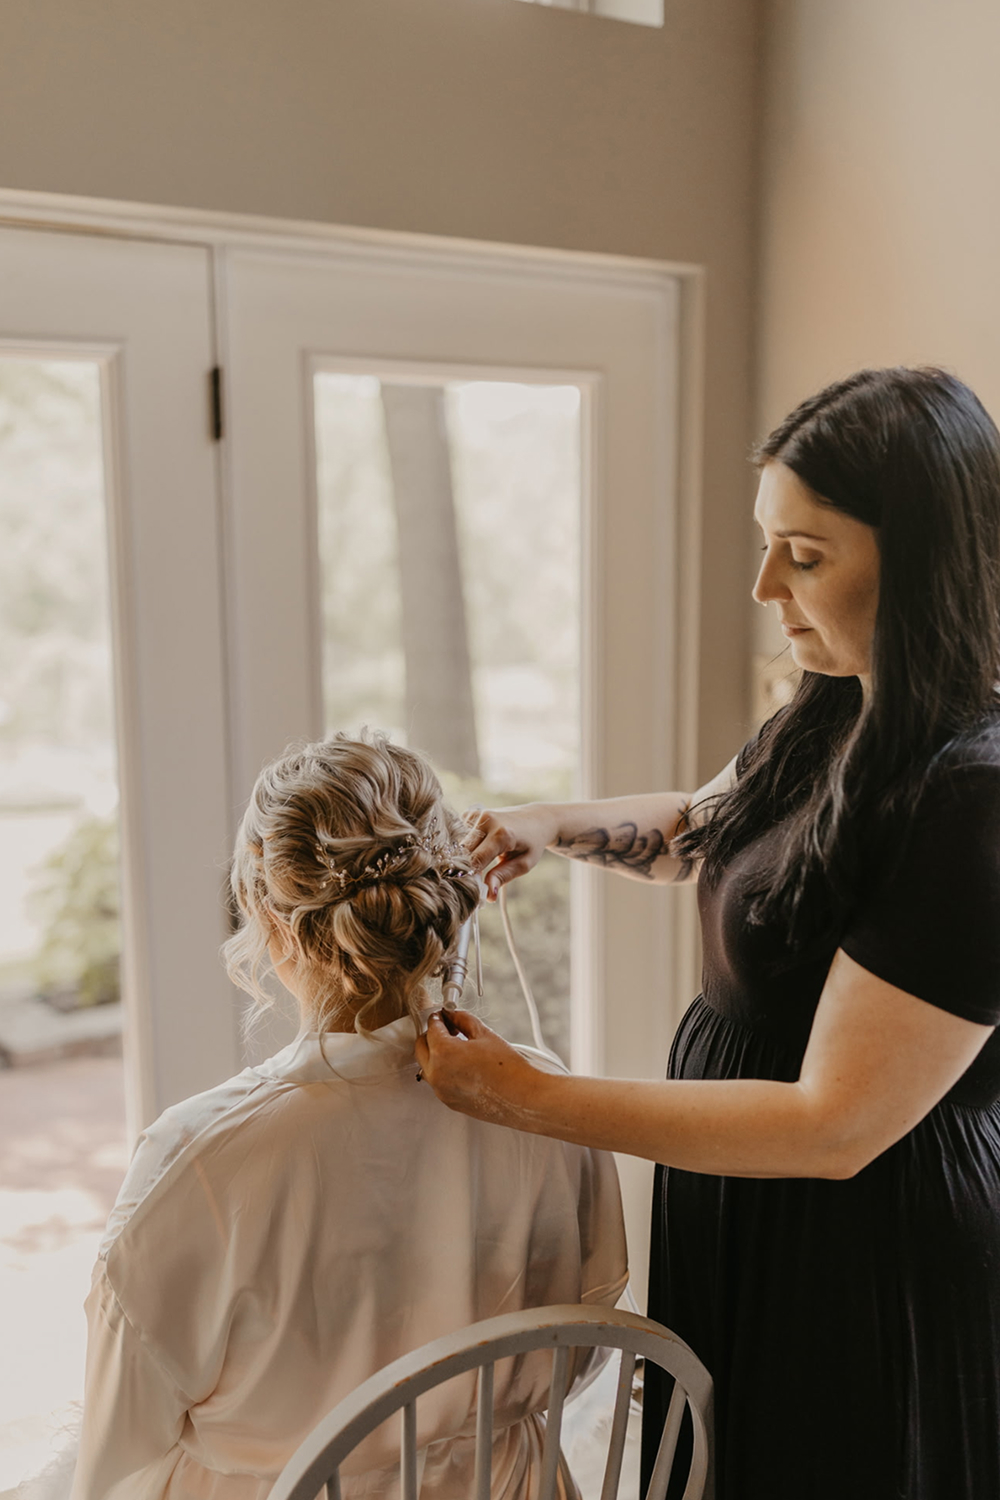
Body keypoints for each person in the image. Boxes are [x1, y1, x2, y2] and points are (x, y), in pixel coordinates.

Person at [416, 367, 1000, 1500]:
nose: (764, 585)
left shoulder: (968, 801)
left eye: (806, 556)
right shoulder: (836, 703)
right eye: (766, 543)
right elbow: (708, 829)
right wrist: (550, 826)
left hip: (864, 1252)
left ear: (925, 565)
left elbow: (834, 1126)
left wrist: (526, 1098)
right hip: (750, 1204)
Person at [71, 735, 627, 1500]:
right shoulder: (545, 1099)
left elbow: (118, 1440)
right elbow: (583, 1345)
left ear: (271, 923)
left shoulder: (197, 1158)